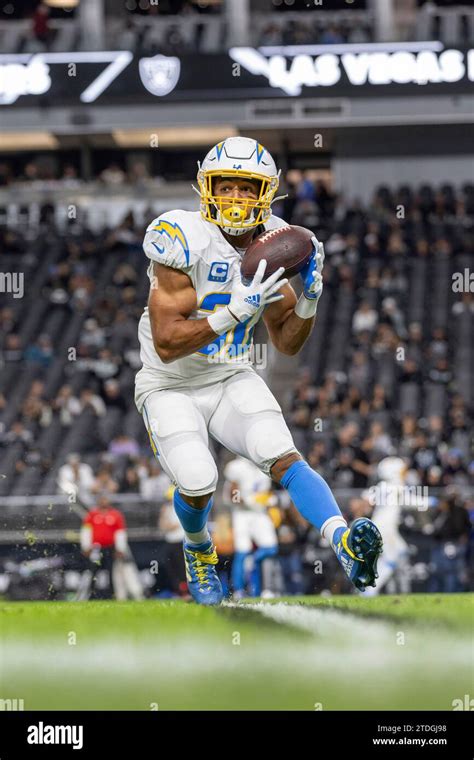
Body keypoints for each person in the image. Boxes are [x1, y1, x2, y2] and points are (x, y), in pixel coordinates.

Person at [134, 136, 382, 605]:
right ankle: (198, 549)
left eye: (246, 189)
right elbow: (167, 344)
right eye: (226, 187)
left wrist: (308, 298)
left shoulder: (273, 241)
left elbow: (286, 342)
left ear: (265, 194)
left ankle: (344, 543)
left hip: (230, 374)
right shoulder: (181, 235)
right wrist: (232, 311)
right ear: (207, 188)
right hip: (170, 385)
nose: (235, 198)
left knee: (281, 453)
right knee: (197, 479)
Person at [223, 455, 278, 599]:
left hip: (260, 512)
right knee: (242, 550)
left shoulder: (265, 464)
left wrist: (269, 499)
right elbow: (232, 494)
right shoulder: (237, 466)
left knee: (270, 547)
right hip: (242, 513)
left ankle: (266, 587)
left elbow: (266, 491)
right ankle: (238, 590)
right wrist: (248, 501)